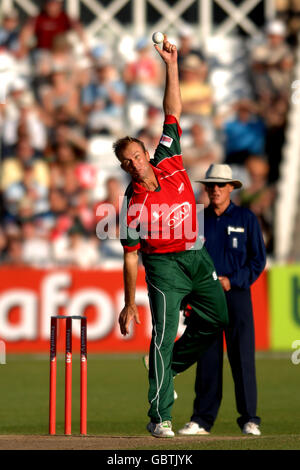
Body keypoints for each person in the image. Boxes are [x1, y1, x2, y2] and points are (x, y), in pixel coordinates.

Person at [114, 36, 228, 438]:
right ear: (124, 167)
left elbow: (172, 110)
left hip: (196, 256)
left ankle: (170, 366)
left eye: (137, 156)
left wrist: (171, 64)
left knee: (218, 318)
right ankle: (160, 416)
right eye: (126, 162)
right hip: (162, 266)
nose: (134, 163)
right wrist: (129, 304)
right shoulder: (131, 204)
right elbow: (130, 257)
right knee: (162, 336)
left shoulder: (170, 157)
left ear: (147, 153)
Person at [178, 164, 266, 437]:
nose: (215, 190)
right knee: (207, 360)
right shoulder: (195, 220)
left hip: (236, 296)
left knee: (242, 359)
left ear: (231, 188)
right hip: (204, 301)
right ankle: (202, 420)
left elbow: (258, 260)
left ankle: (250, 418)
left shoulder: (246, 218)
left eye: (220, 185)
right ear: (205, 188)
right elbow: (185, 261)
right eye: (211, 185)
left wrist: (233, 280)